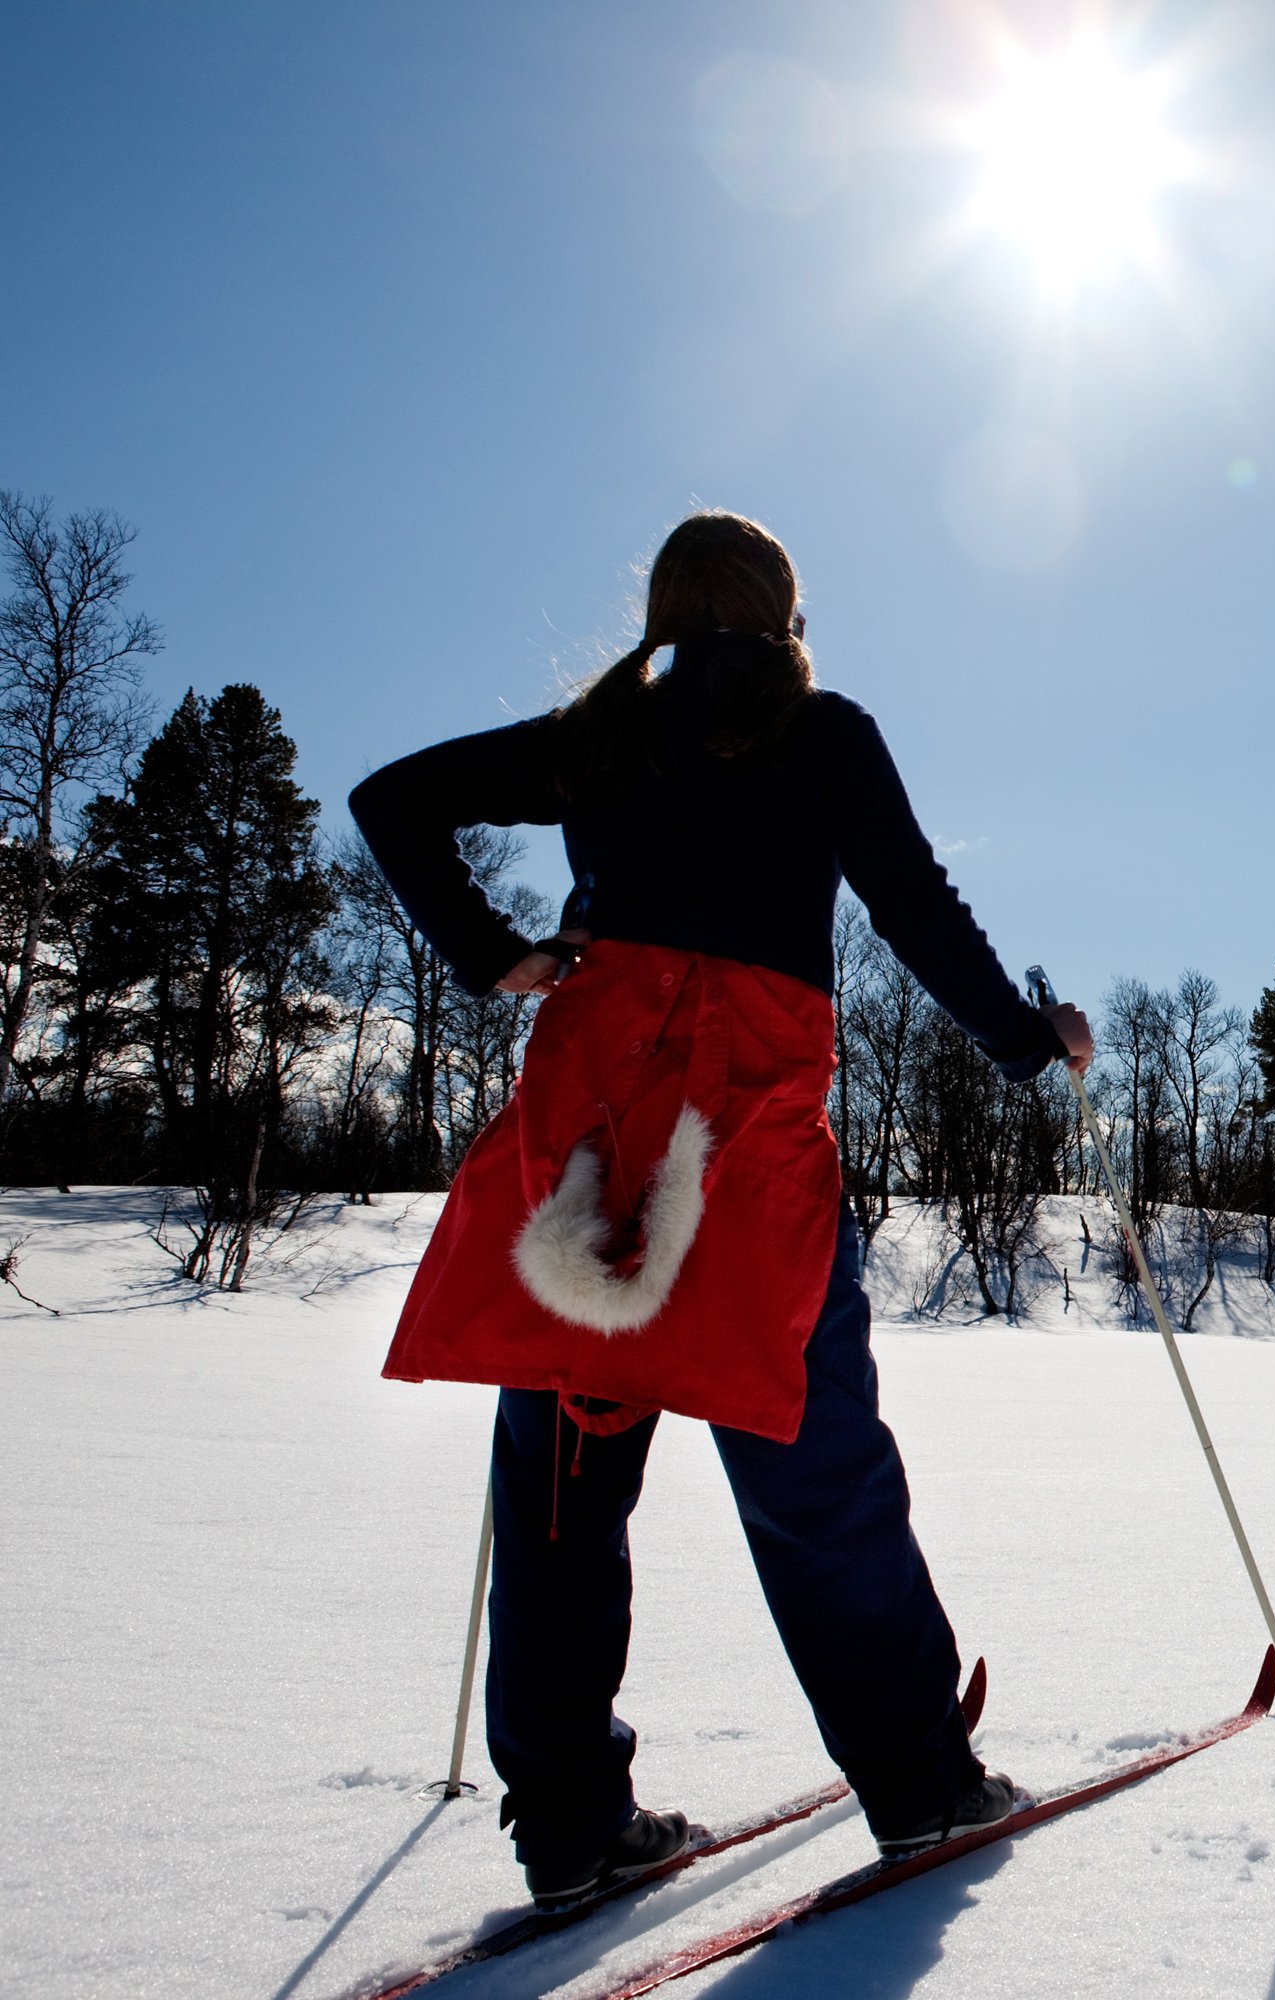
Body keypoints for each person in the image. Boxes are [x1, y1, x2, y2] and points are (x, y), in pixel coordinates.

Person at [351, 509, 1091, 1909]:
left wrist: (496, 956)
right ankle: (921, 1785)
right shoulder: (824, 734)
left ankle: (567, 1827)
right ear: (785, 609)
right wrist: (1020, 1037)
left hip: (601, 1150)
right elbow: (916, 910)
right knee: (817, 1471)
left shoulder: (603, 730)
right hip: (742, 1149)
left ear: (668, 607)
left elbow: (392, 797)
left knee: (563, 1487)